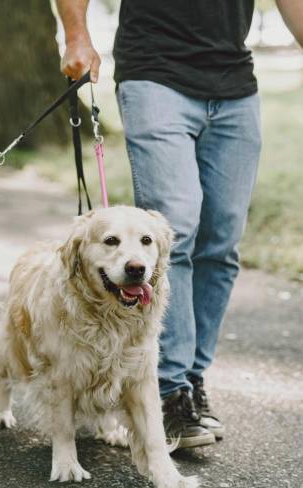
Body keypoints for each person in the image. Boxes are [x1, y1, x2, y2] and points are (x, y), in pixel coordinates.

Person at [56, 0, 303, 449]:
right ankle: (168, 391)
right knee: (178, 232)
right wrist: (77, 35)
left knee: (222, 241)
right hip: (155, 75)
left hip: (234, 84)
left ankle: (191, 377)